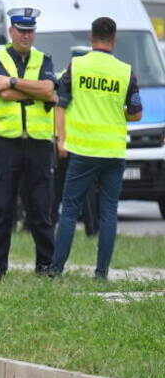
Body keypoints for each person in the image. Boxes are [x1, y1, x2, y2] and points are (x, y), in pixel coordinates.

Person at [48, 17, 142, 279]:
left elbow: (61, 102)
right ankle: (101, 273)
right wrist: (118, 110)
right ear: (114, 39)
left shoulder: (76, 66)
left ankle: (56, 270)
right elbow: (136, 113)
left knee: (69, 210)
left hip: (83, 150)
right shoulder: (125, 71)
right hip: (113, 151)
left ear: (91, 38)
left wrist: (61, 140)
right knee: (109, 211)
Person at [0, 8, 58, 280]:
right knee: (3, 208)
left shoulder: (44, 58)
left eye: (30, 31)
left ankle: (46, 266)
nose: (26, 36)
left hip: (38, 144)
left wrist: (14, 83)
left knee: (41, 208)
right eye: (21, 30)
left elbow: (50, 89)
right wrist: (35, 91)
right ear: (11, 31)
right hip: (7, 143)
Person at [52, 46, 100, 237]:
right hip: (75, 141)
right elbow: (60, 108)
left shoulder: (68, 77)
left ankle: (53, 224)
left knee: (59, 187)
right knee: (84, 187)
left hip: (71, 141)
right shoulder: (72, 78)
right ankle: (91, 228)